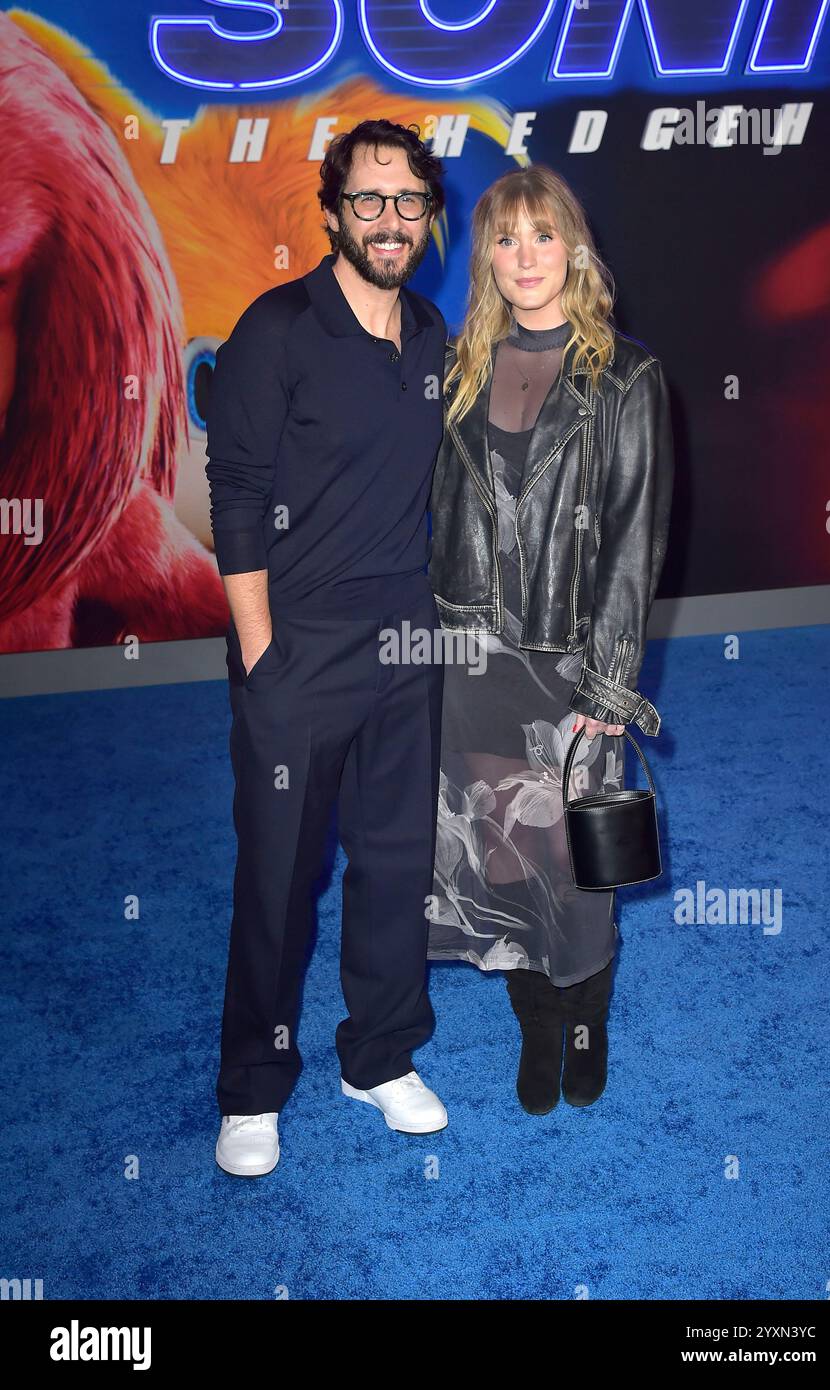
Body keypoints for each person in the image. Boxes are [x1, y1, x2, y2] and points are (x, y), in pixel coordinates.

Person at [205, 120, 449, 1176]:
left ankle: (379, 1055)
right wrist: (260, 656)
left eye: (406, 202)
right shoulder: (278, 328)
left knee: (397, 865)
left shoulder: (434, 334)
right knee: (277, 875)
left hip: (407, 642)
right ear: (333, 214)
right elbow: (238, 492)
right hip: (296, 650)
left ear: (427, 217)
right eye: (367, 201)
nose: (387, 220)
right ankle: (252, 1087)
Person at [427, 167, 675, 1115]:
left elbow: (631, 540)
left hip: (570, 661)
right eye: (504, 239)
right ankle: (537, 1030)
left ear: (572, 247)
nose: (525, 257)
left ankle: (586, 1026)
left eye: (542, 236)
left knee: (575, 867)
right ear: (486, 257)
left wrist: (608, 692)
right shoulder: (459, 369)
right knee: (501, 861)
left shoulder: (627, 376)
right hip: (472, 655)